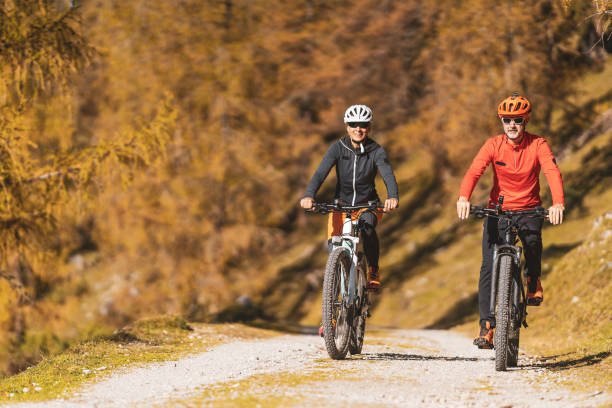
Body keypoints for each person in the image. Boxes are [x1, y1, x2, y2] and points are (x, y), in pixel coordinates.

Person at [456, 92, 565, 349]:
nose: (511, 125)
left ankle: (533, 278)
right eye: (507, 120)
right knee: (487, 266)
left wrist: (557, 203)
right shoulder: (493, 145)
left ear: (525, 121)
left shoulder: (538, 144)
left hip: (529, 208)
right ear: (501, 121)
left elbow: (551, 171)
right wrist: (463, 197)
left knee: (533, 243)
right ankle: (486, 327)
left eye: (517, 119)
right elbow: (475, 170)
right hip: (499, 210)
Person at [301, 104, 399, 293]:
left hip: (367, 205)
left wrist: (392, 197)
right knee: (333, 255)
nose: (358, 128)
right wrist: (309, 195)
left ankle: (373, 270)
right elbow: (320, 173)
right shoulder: (337, 148)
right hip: (341, 206)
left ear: (369, 127)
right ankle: (330, 318)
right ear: (347, 126)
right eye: (353, 124)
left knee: (368, 227)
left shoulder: (376, 151)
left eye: (362, 124)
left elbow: (388, 175)